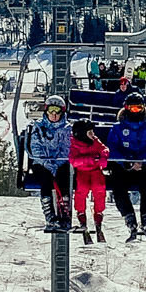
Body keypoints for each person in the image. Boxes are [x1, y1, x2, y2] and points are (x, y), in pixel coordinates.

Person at [106, 93, 146, 239]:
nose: (135, 111)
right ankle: (129, 217)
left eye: (139, 108)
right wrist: (126, 162)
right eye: (132, 108)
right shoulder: (118, 128)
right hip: (124, 167)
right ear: (126, 108)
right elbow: (112, 148)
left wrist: (142, 161)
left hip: (143, 167)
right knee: (118, 186)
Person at [23, 95, 73, 228]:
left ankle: (65, 211)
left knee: (64, 176)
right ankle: (49, 214)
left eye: (57, 111)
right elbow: (35, 147)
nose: (54, 114)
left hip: (60, 163)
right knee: (46, 179)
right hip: (42, 163)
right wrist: (47, 164)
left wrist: (57, 164)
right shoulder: (39, 127)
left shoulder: (67, 128)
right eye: (51, 111)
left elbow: (66, 148)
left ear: (62, 112)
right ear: (46, 111)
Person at [68, 117, 109, 242]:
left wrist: (103, 158)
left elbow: (104, 149)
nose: (93, 135)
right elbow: (74, 160)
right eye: (90, 133)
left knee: (99, 189)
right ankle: (81, 212)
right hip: (83, 172)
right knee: (82, 190)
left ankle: (98, 212)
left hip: (96, 171)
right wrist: (91, 159)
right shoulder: (75, 144)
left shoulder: (95, 141)